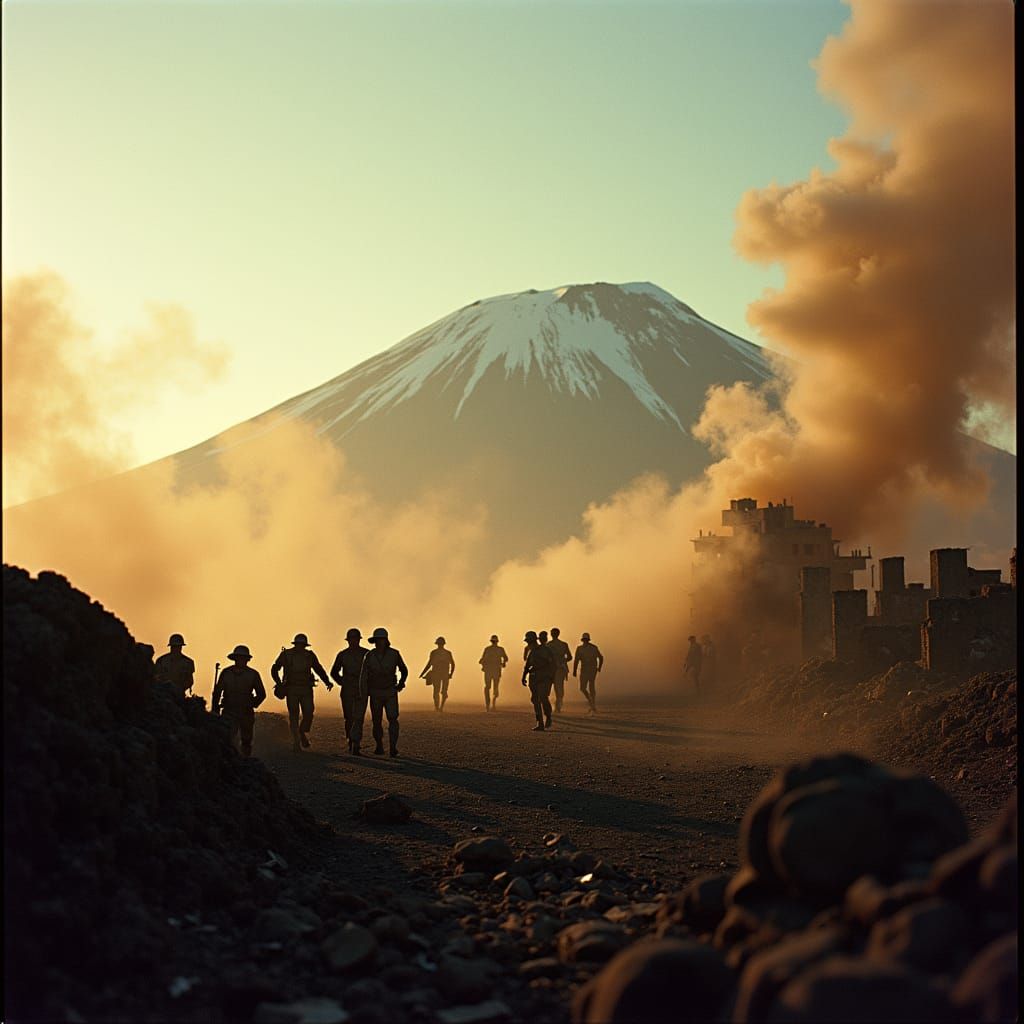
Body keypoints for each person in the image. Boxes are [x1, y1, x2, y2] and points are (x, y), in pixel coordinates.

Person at [271, 633, 332, 753]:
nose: (300, 647)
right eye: (299, 645)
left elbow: (318, 669)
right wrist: (279, 683)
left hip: (306, 688)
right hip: (291, 689)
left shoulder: (309, 655)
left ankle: (301, 731)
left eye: (302, 645)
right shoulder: (286, 655)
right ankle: (296, 742)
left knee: (309, 713)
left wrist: (327, 681)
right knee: (294, 716)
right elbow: (274, 669)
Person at [358, 627, 408, 757]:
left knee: (393, 719)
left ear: (386, 640)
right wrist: (363, 692)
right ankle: (379, 745)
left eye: (381, 640)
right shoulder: (369, 656)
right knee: (377, 721)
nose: (379, 643)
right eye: (377, 640)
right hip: (375, 693)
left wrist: (401, 683)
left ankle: (393, 747)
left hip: (390, 691)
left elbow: (404, 670)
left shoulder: (394, 654)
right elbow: (363, 676)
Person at [212, 644, 266, 756]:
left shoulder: (253, 674)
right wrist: (215, 709)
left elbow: (261, 694)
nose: (241, 660)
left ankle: (245, 761)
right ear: (235, 659)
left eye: (243, 658)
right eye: (239, 658)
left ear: (247, 660)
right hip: (229, 711)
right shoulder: (226, 673)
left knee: (246, 740)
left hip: (246, 712)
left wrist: (252, 704)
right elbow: (217, 693)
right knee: (227, 739)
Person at [331, 628, 369, 755]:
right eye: (351, 639)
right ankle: (351, 740)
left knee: (359, 717)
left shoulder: (367, 654)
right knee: (349, 717)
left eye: (355, 639)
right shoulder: (342, 655)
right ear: (348, 641)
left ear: (358, 640)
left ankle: (356, 743)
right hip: (347, 690)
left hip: (361, 690)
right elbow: (334, 672)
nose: (353, 641)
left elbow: (373, 672)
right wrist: (342, 682)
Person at [522, 630, 555, 731]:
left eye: (529, 642)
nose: (528, 644)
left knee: (543, 697)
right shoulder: (531, 652)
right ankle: (540, 723)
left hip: (544, 677)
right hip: (534, 678)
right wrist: (523, 677)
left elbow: (552, 663)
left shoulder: (545, 650)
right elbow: (527, 665)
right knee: (535, 700)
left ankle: (548, 716)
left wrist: (551, 677)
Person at [420, 637, 455, 712]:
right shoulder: (438, 653)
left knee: (439, 691)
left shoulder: (438, 653)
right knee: (440, 691)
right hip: (440, 674)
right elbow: (429, 664)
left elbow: (452, 664)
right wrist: (423, 672)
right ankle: (439, 707)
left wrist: (451, 674)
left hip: (442, 674)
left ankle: (439, 707)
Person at [573, 632, 604, 713]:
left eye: (586, 640)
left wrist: (599, 667)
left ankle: (592, 704)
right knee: (583, 688)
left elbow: (601, 657)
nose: (585, 641)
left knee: (591, 686)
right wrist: (574, 670)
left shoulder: (593, 648)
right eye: (584, 640)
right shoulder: (580, 649)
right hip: (584, 670)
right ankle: (591, 702)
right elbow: (576, 660)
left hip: (591, 670)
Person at [479, 635, 508, 710]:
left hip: (494, 670)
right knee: (490, 687)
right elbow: (483, 659)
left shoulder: (498, 649)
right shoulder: (490, 649)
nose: (494, 643)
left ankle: (491, 704)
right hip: (490, 670)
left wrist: (503, 663)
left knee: (492, 687)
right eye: (493, 641)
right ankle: (489, 704)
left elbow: (506, 658)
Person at [547, 627, 572, 713]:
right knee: (559, 689)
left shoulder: (548, 645)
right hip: (559, 668)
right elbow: (570, 657)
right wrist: (562, 661)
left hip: (553, 669)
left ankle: (557, 706)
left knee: (552, 688)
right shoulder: (563, 644)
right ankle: (558, 705)